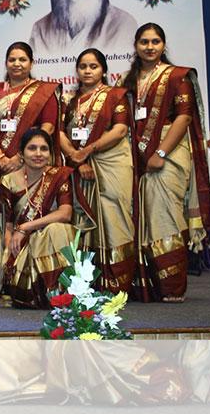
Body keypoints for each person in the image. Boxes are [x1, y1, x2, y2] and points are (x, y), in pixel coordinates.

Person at [117, 22, 210, 302]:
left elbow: (183, 117)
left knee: (165, 216)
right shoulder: (127, 80)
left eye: (155, 41)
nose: (149, 47)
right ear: (135, 46)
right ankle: (148, 284)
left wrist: (160, 153)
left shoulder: (177, 77)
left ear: (163, 45)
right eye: (144, 42)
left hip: (168, 150)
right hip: (136, 155)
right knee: (142, 217)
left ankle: (172, 285)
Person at [59, 48, 135, 294]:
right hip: (80, 167)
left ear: (103, 69)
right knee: (85, 221)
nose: (88, 71)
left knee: (114, 217)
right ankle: (90, 280)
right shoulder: (71, 102)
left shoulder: (116, 96)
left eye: (93, 66)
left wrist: (88, 150)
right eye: (83, 66)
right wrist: (76, 159)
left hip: (112, 164)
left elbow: (120, 130)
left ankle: (118, 281)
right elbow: (60, 133)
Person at [0, 129, 82, 309]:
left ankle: (62, 292)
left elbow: (65, 213)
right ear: (21, 153)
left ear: (50, 154)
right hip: (24, 247)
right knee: (54, 231)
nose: (38, 154)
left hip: (49, 239)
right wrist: (8, 254)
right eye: (32, 148)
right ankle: (53, 293)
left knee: (58, 229)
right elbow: (8, 224)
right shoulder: (8, 181)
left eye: (44, 149)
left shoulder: (59, 176)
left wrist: (26, 227)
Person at [0, 41, 60, 178]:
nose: (17, 64)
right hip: (0, 163)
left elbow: (49, 127)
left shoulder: (44, 91)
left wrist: (21, 156)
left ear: (31, 63)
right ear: (6, 64)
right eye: (12, 60)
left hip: (33, 161)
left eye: (22, 60)